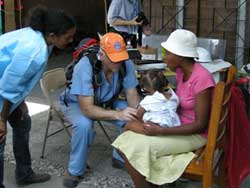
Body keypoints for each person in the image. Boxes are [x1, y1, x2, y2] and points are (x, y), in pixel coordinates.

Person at [112, 29, 216, 188]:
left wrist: (161, 131)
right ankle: (151, 183)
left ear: (180, 56)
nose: (164, 58)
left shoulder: (202, 79)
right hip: (179, 125)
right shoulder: (182, 72)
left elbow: (201, 125)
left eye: (168, 54)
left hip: (195, 134)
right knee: (124, 140)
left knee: (132, 147)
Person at [0, 5, 76, 188]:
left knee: (23, 121)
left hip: (5, 87)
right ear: (52, 35)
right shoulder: (34, 51)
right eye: (68, 37)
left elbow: (19, 78)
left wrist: (20, 102)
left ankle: (24, 174)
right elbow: (8, 88)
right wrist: (1, 119)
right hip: (2, 90)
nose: (71, 41)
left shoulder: (39, 38)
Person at [60, 32, 140, 188]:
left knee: (132, 117)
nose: (119, 62)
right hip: (78, 103)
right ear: (101, 54)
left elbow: (131, 93)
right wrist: (118, 114)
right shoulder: (85, 66)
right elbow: (87, 109)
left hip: (106, 100)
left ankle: (119, 156)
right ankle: (75, 170)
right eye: (114, 58)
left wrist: (137, 113)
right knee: (84, 125)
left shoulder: (125, 63)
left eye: (121, 57)